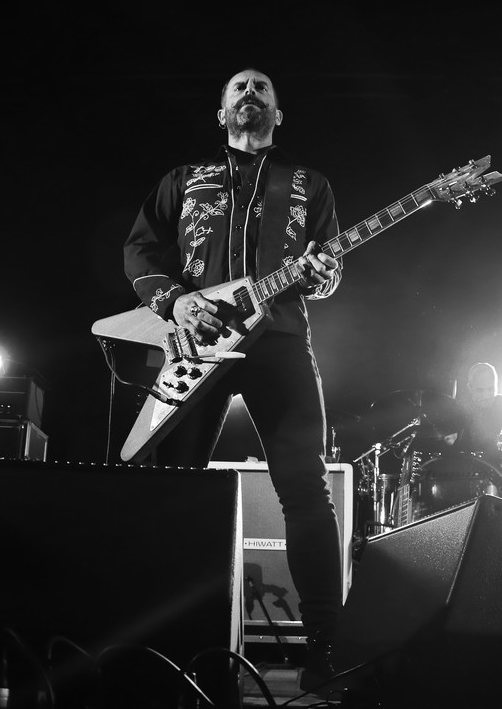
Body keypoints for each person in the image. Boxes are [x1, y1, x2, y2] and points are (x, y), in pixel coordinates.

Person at [121, 68, 344, 690]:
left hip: (280, 342)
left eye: (262, 88)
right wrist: (177, 302)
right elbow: (139, 249)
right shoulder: (183, 180)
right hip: (198, 344)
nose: (250, 93)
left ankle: (325, 651)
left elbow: (330, 269)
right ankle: (170, 646)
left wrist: (322, 274)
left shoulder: (310, 184)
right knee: (175, 488)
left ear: (278, 113)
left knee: (306, 490)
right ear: (222, 113)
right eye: (239, 88)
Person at [453, 362, 502, 458]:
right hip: (472, 464)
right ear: (470, 388)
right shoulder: (463, 411)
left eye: (490, 389)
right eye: (480, 390)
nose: (486, 396)